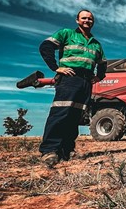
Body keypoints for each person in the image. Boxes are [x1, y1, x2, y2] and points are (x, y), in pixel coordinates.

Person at [39, 9, 107, 166]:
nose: (87, 21)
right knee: (61, 113)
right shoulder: (66, 34)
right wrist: (55, 67)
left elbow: (103, 64)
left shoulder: (96, 44)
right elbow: (45, 47)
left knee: (75, 117)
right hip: (69, 79)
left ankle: (66, 150)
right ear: (77, 20)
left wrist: (99, 77)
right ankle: (49, 150)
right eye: (84, 18)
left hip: (85, 83)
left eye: (90, 19)